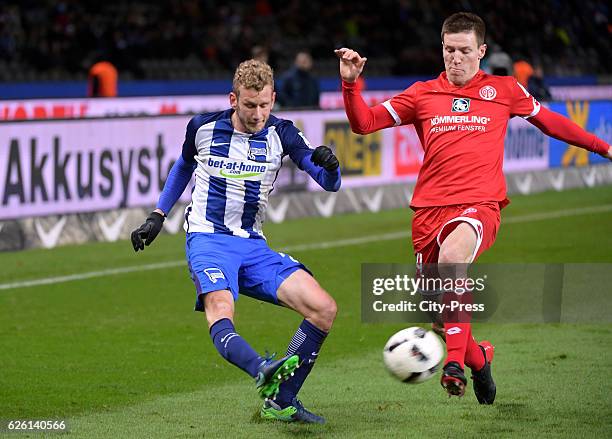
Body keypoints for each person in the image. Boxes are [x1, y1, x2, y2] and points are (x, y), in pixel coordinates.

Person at [335, 12, 611, 404]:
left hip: (480, 205)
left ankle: (454, 365)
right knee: (440, 317)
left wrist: (604, 148)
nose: (456, 58)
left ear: (481, 51)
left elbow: (551, 123)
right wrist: (350, 84)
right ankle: (480, 360)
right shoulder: (422, 94)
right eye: (449, 50)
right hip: (428, 212)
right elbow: (364, 123)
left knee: (453, 259)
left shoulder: (504, 89)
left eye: (465, 50)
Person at [130, 59, 341, 423]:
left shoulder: (284, 133)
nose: (257, 113)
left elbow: (328, 182)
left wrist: (332, 165)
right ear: (233, 99)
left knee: (324, 309)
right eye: (248, 105)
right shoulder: (203, 128)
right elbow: (183, 166)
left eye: (264, 104)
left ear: (273, 98)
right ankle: (262, 369)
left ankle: (280, 402)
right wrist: (158, 215)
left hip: (253, 245)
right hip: (208, 240)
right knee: (220, 308)